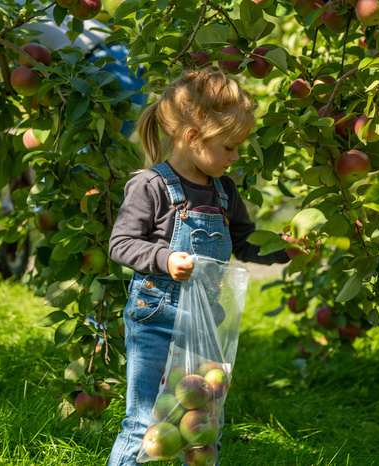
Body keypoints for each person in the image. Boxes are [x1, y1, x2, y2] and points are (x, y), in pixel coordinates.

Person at [107, 67, 290, 466]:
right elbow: (120, 244)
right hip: (156, 317)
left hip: (205, 320)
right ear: (192, 138)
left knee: (204, 423)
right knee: (145, 421)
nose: (236, 156)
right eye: (229, 146)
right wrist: (165, 258)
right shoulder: (151, 185)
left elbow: (244, 242)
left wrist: (285, 249)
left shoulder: (224, 190)